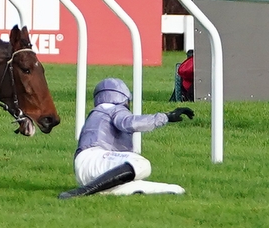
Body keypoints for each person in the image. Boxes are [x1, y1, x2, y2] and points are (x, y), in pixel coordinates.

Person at [58, 77, 195, 199]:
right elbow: (130, 123)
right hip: (95, 159)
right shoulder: (112, 108)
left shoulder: (98, 111)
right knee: (140, 163)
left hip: (88, 168)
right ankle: (82, 192)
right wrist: (167, 117)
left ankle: (99, 192)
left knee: (175, 189)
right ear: (122, 97)